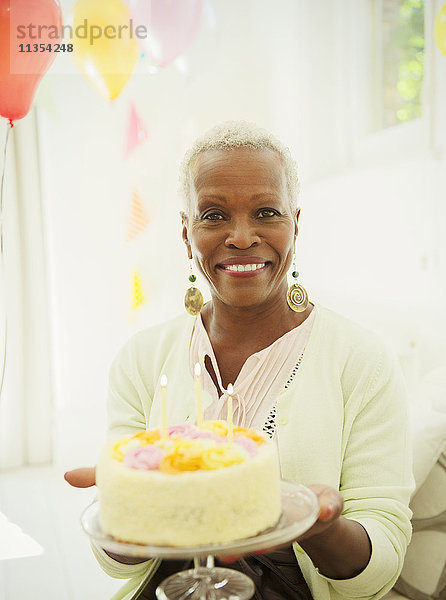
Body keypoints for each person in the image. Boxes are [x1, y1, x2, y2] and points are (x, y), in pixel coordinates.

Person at [65, 120, 414, 600]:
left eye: (266, 212)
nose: (242, 237)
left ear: (295, 223)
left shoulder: (362, 361)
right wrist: (126, 501)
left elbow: (380, 568)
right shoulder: (141, 359)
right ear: (186, 234)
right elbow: (118, 565)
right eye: (214, 215)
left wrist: (317, 524)